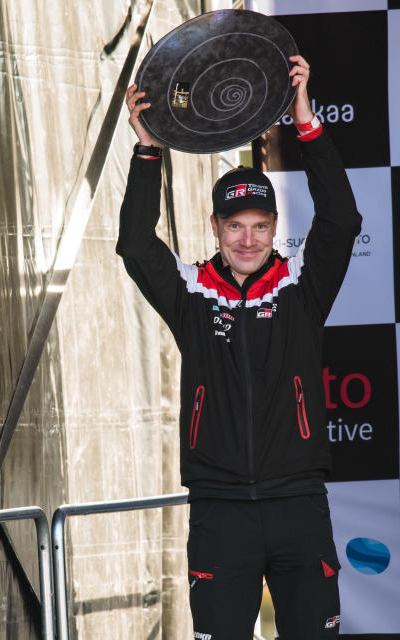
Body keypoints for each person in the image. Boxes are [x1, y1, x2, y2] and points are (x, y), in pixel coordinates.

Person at [117, 55, 362, 639]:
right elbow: (134, 244)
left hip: (298, 503)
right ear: (215, 227)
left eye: (259, 225)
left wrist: (306, 123)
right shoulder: (192, 292)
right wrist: (148, 149)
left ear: (275, 227)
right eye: (234, 226)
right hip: (220, 509)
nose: (247, 239)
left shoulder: (302, 285)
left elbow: (341, 220)